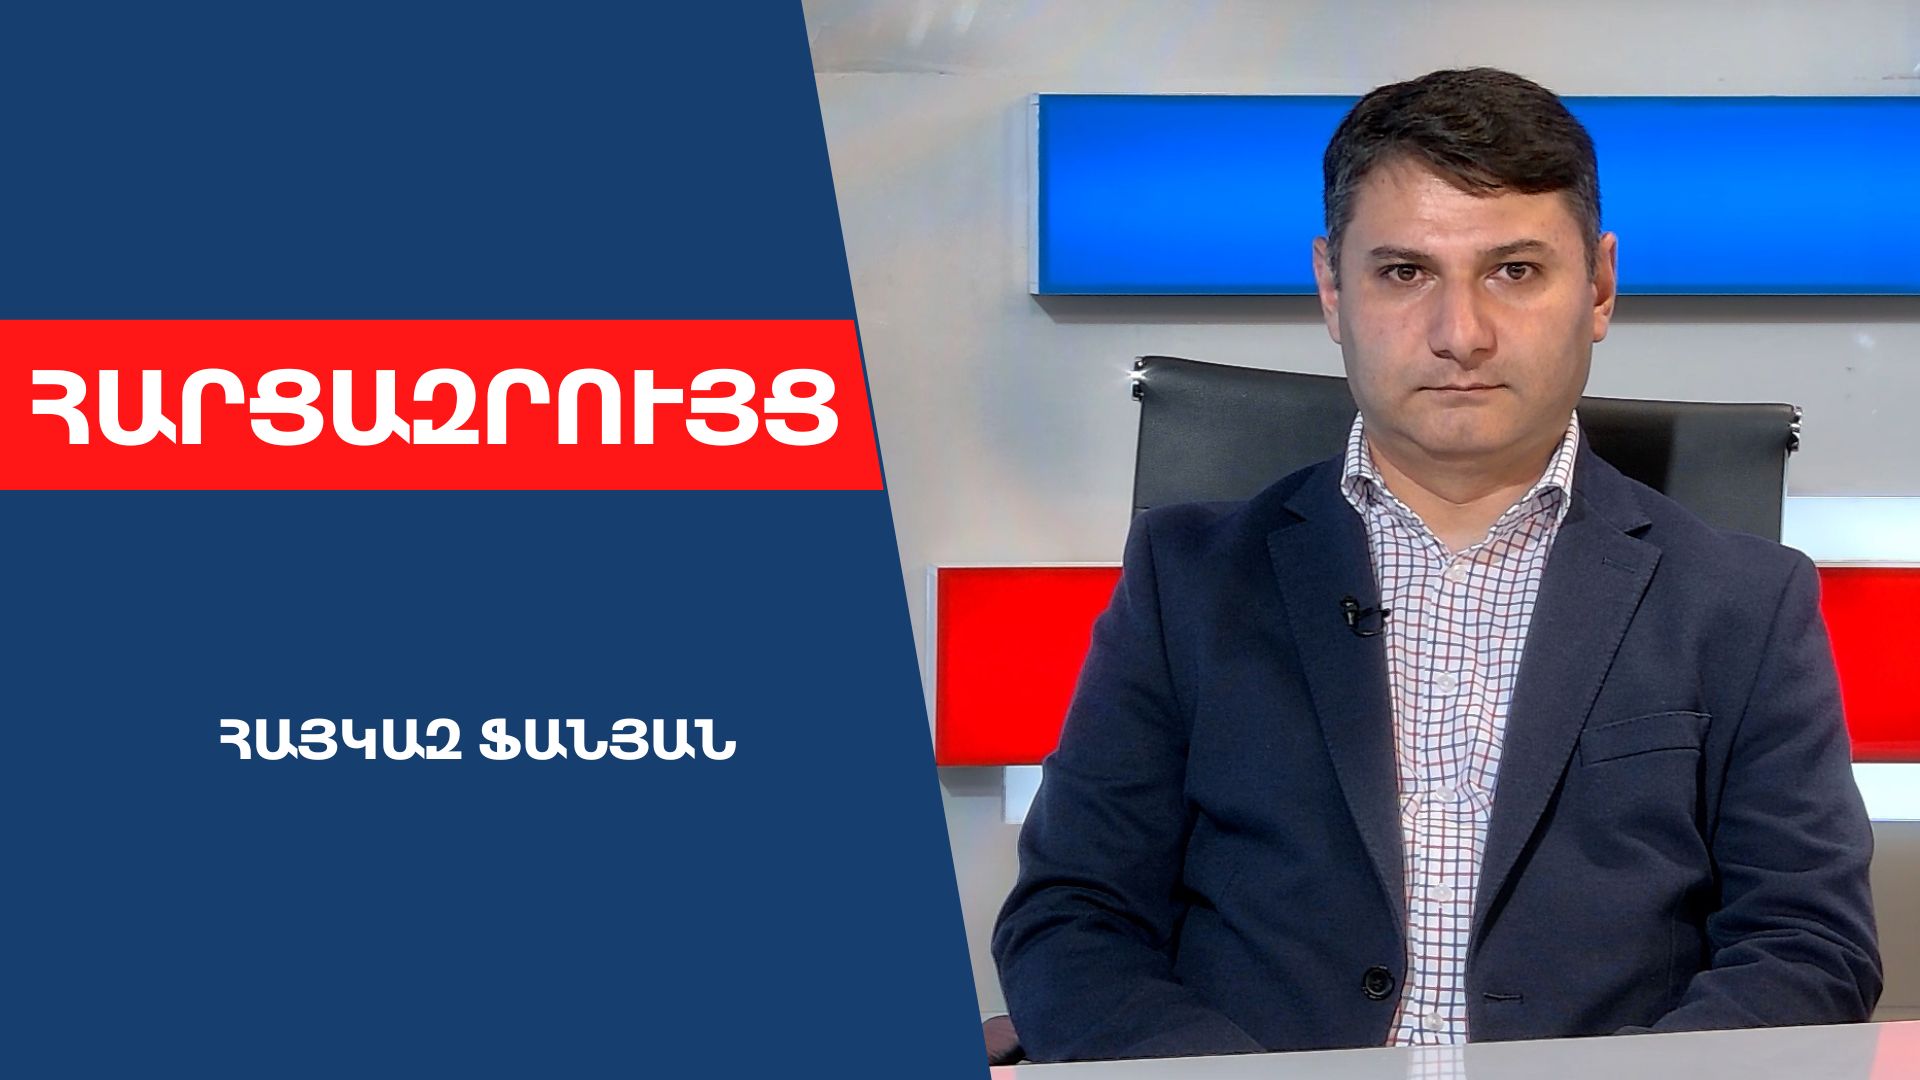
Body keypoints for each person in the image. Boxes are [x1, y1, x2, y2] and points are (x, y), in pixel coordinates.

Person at [990, 67, 1880, 1062]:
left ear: (1599, 287)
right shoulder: (1185, 579)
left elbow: (1809, 946)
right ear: (1333, 289)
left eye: (1515, 270)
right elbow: (1073, 923)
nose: (1462, 336)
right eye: (1405, 273)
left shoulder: (1746, 602)